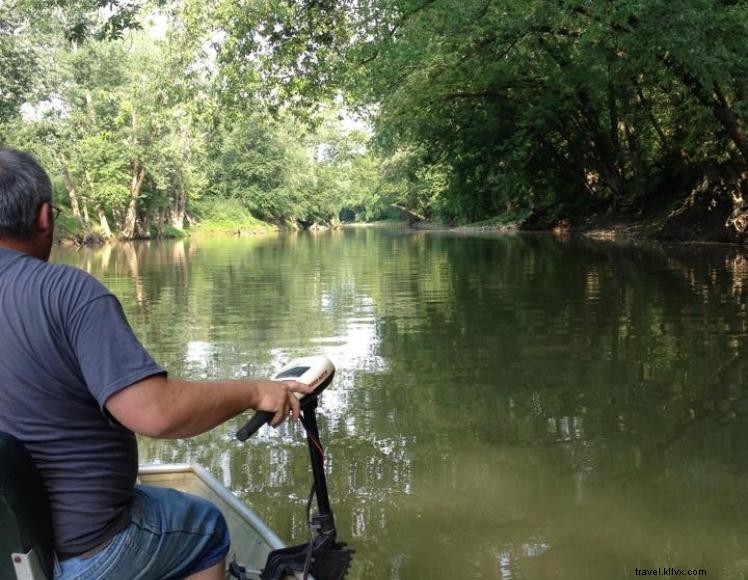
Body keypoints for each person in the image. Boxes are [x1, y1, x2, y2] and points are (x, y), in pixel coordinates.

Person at [0, 148, 313, 579]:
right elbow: (156, 413)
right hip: (83, 550)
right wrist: (256, 391)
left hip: (9, 551)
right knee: (206, 528)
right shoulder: (67, 292)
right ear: (44, 217)